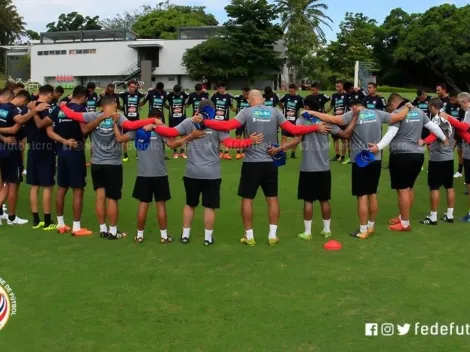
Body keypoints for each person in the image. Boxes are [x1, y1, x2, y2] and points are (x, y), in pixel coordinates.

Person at [196, 90, 331, 246]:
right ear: (262, 99)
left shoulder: (246, 112)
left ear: (250, 99)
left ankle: (250, 236)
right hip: (270, 162)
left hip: (251, 163)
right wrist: (314, 127)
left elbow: (228, 125)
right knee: (272, 199)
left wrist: (205, 122)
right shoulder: (275, 111)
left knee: (247, 199)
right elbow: (294, 130)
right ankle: (272, 235)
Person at [154, 100, 265, 245]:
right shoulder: (216, 125)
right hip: (212, 174)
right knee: (209, 206)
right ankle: (207, 238)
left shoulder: (189, 122)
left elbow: (171, 133)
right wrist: (249, 141)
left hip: (192, 173)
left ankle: (185, 235)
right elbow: (230, 143)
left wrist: (153, 125)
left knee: (189, 204)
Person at [307, 98, 412, 238]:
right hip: (376, 158)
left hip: (360, 160)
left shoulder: (352, 114)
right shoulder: (377, 113)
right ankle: (371, 226)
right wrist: (407, 106)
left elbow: (332, 119)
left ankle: (363, 230)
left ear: (352, 106)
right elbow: (399, 116)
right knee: (372, 194)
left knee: (361, 196)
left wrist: (312, 112)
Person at [59, 96, 159, 239]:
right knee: (112, 198)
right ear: (114, 105)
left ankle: (102, 229)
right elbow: (132, 126)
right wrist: (152, 120)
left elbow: (74, 116)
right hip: (113, 164)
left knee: (100, 197)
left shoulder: (93, 115)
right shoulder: (119, 118)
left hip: (97, 163)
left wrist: (63, 106)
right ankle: (112, 231)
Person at [115, 109, 203, 243]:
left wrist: (115, 124)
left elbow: (120, 139)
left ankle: (139, 236)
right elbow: (173, 144)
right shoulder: (161, 131)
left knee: (143, 205)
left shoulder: (138, 130)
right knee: (160, 205)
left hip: (143, 175)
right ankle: (163, 236)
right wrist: (190, 136)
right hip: (160, 175)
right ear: (159, 119)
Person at [277, 95, 356, 240]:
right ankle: (327, 230)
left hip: (308, 168)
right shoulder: (326, 121)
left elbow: (296, 140)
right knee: (324, 200)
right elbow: (345, 134)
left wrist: (280, 149)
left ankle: (307, 233)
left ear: (307, 107)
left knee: (308, 201)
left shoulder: (301, 120)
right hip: (324, 168)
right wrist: (355, 118)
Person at [378, 93, 447, 232]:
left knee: (402, 189)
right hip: (418, 156)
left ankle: (404, 223)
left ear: (393, 103)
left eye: (389, 107)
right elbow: (433, 127)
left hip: (401, 155)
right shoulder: (419, 112)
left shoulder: (398, 113)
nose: (390, 110)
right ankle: (403, 216)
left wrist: (378, 147)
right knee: (409, 187)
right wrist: (444, 137)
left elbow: (390, 133)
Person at [45, 86, 92, 236]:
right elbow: (84, 130)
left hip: (61, 152)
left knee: (61, 188)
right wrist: (97, 121)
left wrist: (64, 141)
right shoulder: (80, 109)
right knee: (78, 189)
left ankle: (60, 224)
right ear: (83, 97)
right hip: (75, 152)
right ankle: (77, 227)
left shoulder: (59, 109)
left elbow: (48, 130)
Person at [0, 90, 48, 226]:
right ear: (23, 101)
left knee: (6, 184)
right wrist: (34, 110)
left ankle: (7, 216)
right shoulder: (13, 109)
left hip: (2, 149)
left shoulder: (2, 108)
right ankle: (11, 217)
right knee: (13, 185)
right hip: (11, 151)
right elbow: (17, 125)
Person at [433, 92, 470, 221]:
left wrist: (449, 118)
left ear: (465, 102)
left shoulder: (469, 111)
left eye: (461, 104)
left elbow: (464, 127)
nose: (461, 107)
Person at [418, 98, 455, 225]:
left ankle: (433, 216)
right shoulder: (449, 117)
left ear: (433, 107)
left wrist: (424, 141)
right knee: (449, 186)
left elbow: (435, 134)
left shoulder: (436, 119)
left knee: (434, 187)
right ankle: (449, 215)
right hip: (449, 157)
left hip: (437, 158)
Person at [27, 84, 59, 230]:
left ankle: (35, 220)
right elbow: (42, 126)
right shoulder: (45, 108)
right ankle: (47, 221)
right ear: (49, 94)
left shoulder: (30, 106)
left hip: (33, 147)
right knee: (47, 185)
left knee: (34, 185)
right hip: (45, 148)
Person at [119, 80, 145, 161]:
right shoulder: (124, 95)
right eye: (131, 87)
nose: (132, 88)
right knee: (124, 139)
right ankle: (126, 156)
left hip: (136, 120)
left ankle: (137, 154)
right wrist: (122, 108)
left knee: (138, 137)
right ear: (128, 87)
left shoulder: (138, 95)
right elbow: (114, 95)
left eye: (134, 87)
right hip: (126, 120)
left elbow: (145, 96)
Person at [211, 83, 235, 159]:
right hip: (216, 120)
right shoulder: (214, 96)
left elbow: (231, 107)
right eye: (218, 88)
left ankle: (226, 153)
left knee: (226, 136)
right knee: (216, 136)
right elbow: (210, 104)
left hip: (225, 120)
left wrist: (238, 111)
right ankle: (219, 152)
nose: (219, 90)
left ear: (224, 88)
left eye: (221, 88)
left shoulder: (228, 97)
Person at [279, 84, 304, 159]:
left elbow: (305, 106)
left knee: (296, 137)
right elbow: (279, 101)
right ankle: (284, 152)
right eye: (289, 91)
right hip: (285, 121)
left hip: (295, 121)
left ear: (295, 90)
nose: (290, 92)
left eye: (292, 91)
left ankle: (293, 153)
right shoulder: (286, 96)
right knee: (284, 137)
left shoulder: (299, 98)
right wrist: (283, 108)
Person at [166, 84, 189, 159]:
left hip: (182, 119)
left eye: (178, 93)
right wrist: (168, 107)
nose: (176, 94)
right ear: (173, 90)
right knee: (173, 136)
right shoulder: (169, 95)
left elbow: (191, 96)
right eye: (175, 93)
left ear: (180, 91)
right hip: (172, 119)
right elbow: (162, 98)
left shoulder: (184, 94)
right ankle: (175, 152)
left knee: (183, 136)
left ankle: (182, 152)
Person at [329, 80, 349, 162]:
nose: (337, 88)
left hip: (343, 120)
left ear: (342, 86)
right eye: (336, 86)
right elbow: (331, 106)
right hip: (335, 120)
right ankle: (337, 155)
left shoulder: (347, 95)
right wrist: (324, 113)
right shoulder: (334, 96)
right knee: (335, 139)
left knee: (344, 139)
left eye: (338, 86)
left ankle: (343, 156)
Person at [450, 91, 466, 178]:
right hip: (457, 132)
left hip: (463, 132)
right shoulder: (453, 105)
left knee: (462, 152)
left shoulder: (466, 109)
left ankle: (460, 171)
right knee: (452, 149)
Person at [233, 87, 250, 159]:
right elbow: (229, 95)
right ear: (242, 92)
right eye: (245, 94)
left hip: (247, 121)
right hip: (239, 121)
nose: (246, 95)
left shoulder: (251, 100)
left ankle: (244, 152)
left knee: (246, 136)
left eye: (247, 94)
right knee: (238, 136)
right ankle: (238, 152)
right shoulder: (239, 98)